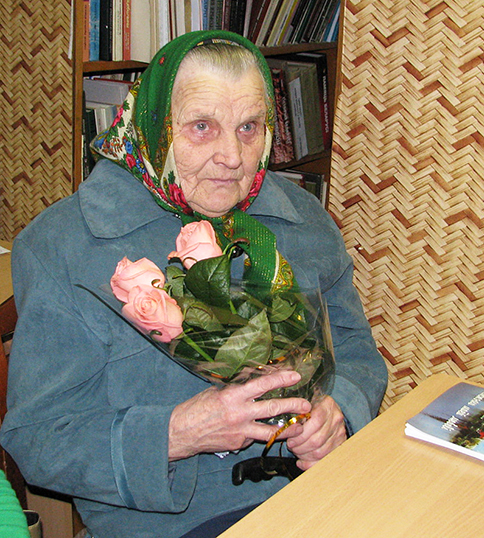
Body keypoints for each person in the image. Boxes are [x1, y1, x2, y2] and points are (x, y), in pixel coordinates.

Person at [0, 30, 387, 538]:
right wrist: (176, 433)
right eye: (202, 126)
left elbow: (357, 351)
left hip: (320, 493)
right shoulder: (64, 246)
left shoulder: (302, 217)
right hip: (178, 525)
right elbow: (39, 438)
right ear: (154, 124)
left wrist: (340, 413)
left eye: (249, 127)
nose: (233, 155)